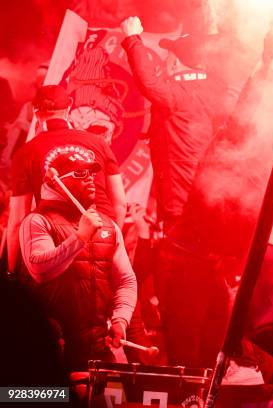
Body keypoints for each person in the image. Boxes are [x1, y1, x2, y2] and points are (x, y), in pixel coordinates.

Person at [18, 150, 136, 371]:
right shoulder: (36, 221)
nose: (90, 179)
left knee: (113, 404)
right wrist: (80, 238)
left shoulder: (108, 226)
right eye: (80, 173)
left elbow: (125, 281)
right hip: (51, 355)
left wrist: (121, 319)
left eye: (91, 173)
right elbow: (40, 270)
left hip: (99, 353)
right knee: (41, 399)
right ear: (56, 183)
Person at [7, 84, 127, 275]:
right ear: (69, 107)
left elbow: (17, 220)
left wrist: (10, 272)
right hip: (102, 232)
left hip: (58, 240)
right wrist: (110, 240)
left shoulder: (25, 153)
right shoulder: (99, 143)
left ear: (36, 112)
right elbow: (120, 203)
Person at [120, 15, 222, 231]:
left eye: (168, 56)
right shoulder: (210, 91)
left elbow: (149, 83)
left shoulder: (180, 94)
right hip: (198, 195)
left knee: (170, 254)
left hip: (179, 200)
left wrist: (132, 39)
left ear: (175, 62)